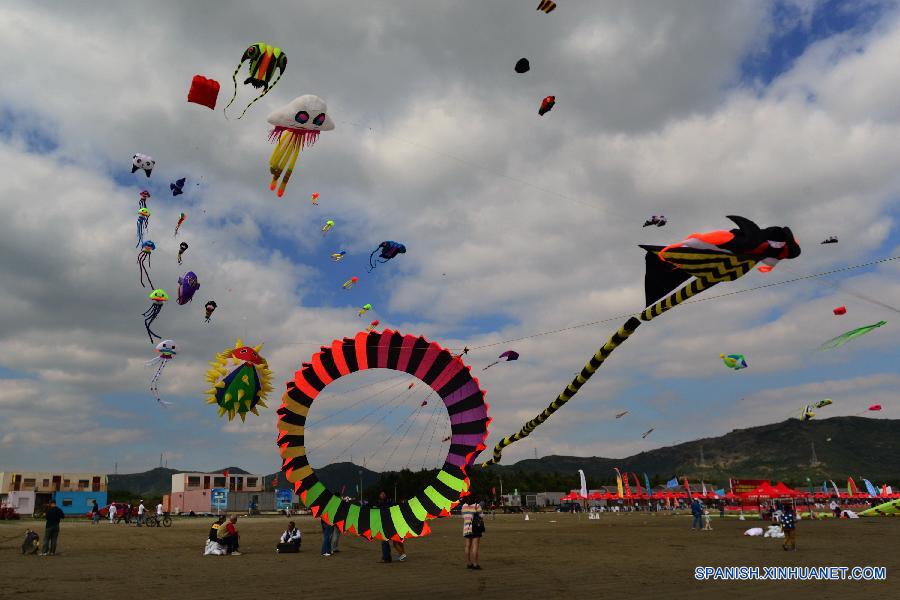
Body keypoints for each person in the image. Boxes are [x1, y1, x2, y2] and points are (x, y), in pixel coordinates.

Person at [462, 497, 484, 570]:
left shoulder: (464, 506)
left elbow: (463, 516)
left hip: (466, 528)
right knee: (475, 546)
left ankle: (469, 563)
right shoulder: (477, 506)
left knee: (467, 546)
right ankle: (475, 564)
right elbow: (481, 516)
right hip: (475, 528)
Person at [377, 491, 393, 563]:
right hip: (384, 523)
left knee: (384, 541)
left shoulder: (387, 503)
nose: (382, 495)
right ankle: (388, 557)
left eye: (384, 494)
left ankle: (386, 558)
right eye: (381, 494)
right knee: (385, 541)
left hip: (387, 524)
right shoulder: (379, 503)